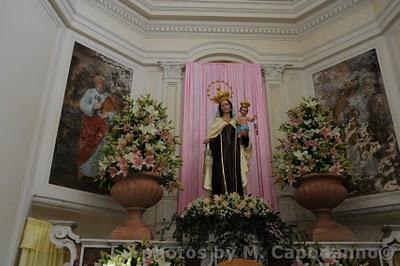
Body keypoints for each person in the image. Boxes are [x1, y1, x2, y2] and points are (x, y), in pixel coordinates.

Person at [203, 88, 252, 195]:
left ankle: (236, 201)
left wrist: (245, 136)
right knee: (219, 177)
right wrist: (209, 141)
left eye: (227, 104)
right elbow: (213, 138)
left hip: (235, 156)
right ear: (220, 108)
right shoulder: (217, 123)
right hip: (220, 158)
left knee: (235, 176)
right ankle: (220, 203)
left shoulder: (237, 122)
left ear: (230, 106)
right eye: (223, 105)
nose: (225, 107)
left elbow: (244, 140)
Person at [77, 75, 116, 178]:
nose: (101, 85)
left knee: (100, 145)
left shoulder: (108, 97)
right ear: (95, 83)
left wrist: (108, 115)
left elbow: (115, 112)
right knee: (86, 144)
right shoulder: (90, 92)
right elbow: (82, 104)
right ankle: (82, 169)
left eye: (102, 83)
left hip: (102, 125)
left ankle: (95, 172)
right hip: (89, 124)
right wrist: (93, 107)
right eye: (99, 83)